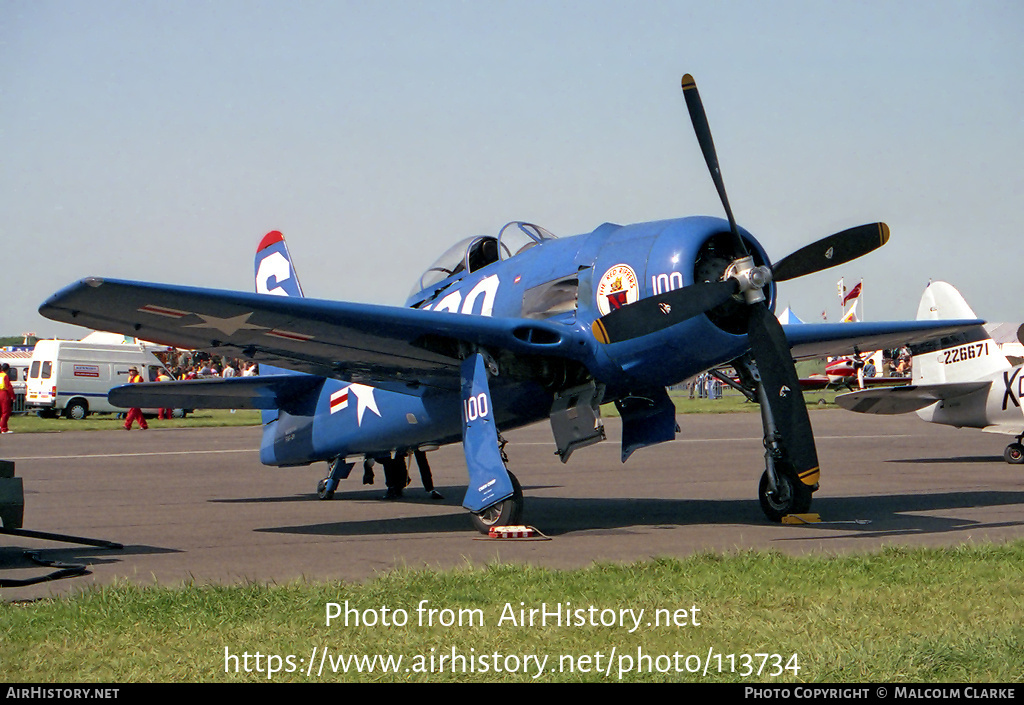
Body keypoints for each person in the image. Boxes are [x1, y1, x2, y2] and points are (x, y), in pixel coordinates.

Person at [0, 363, 14, 434]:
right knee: (5, 412)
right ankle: (4, 428)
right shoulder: (4, 376)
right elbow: (9, 387)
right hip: (3, 393)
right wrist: (12, 396)